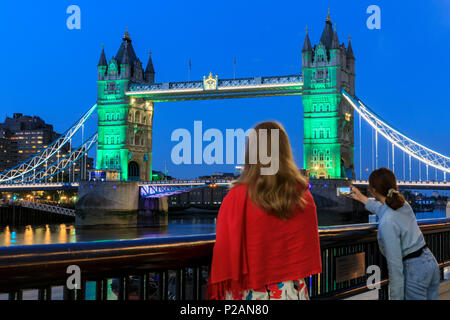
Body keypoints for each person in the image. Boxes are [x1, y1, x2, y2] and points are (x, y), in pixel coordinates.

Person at [207, 121, 322, 300]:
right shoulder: (303, 197)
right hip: (292, 291)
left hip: (250, 291)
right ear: (285, 152)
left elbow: (225, 250)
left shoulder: (236, 197)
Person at [348, 168, 440, 300]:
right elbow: (382, 208)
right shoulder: (403, 205)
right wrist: (361, 198)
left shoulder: (387, 222)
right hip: (430, 263)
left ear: (373, 191)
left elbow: (395, 267)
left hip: (415, 271)